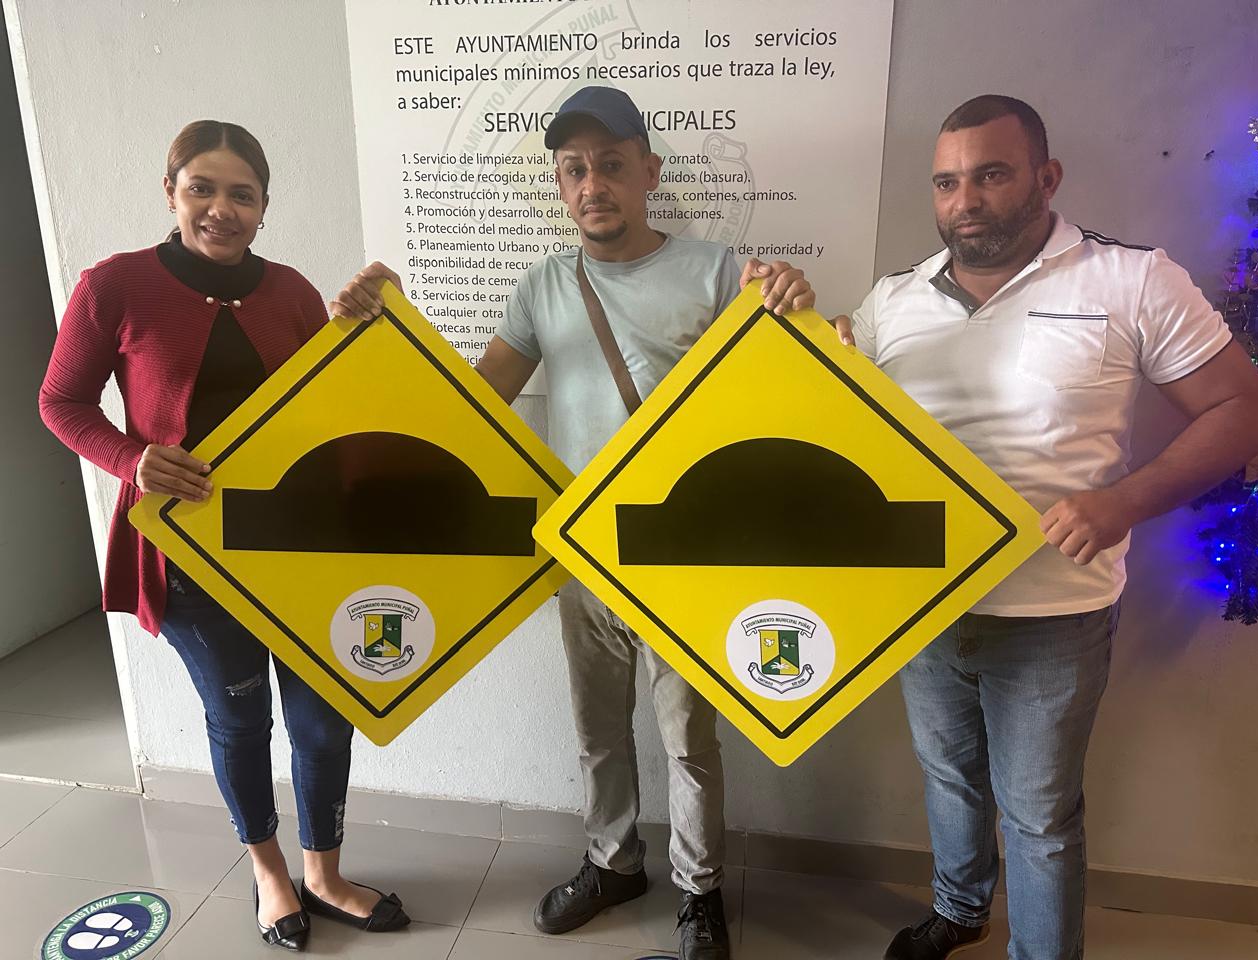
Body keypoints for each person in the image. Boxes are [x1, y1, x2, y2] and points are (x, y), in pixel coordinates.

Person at [332, 86, 815, 960]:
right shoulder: (543, 285)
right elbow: (478, 403)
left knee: (688, 739)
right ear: (559, 185)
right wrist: (395, 325)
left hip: (682, 556)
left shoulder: (716, 272)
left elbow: (780, 394)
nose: (594, 184)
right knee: (598, 733)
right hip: (582, 550)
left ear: (649, 173)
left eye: (611, 165)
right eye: (575, 169)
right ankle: (612, 862)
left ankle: (699, 891)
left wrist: (795, 302)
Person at [831, 95, 1258, 960]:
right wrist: (801, 331)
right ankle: (961, 909)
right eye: (947, 183)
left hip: (1054, 614)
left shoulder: (1133, 279)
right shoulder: (893, 300)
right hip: (925, 604)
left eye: (992, 175)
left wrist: (1122, 504)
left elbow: (1248, 409)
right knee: (949, 778)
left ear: (1047, 177)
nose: (966, 200)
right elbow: (843, 423)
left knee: (1038, 815)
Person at [39, 120, 411, 952]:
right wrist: (131, 459)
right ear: (170, 192)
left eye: (242, 194)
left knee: (326, 723)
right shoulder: (114, 286)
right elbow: (60, 402)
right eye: (201, 188)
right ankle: (270, 872)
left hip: (301, 551)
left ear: (264, 206)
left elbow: (331, 408)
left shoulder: (291, 292)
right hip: (188, 559)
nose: (221, 208)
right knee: (240, 720)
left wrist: (363, 326)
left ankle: (325, 873)